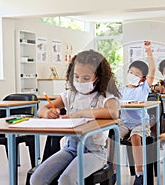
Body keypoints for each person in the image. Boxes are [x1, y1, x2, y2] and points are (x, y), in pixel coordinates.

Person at [30, 50, 120, 185]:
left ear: (98, 77)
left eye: (86, 78)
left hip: (94, 153)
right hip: (70, 149)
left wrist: (81, 113)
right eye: (76, 76)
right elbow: (42, 110)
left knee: (67, 180)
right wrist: (47, 113)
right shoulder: (69, 95)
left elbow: (113, 113)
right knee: (37, 179)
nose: (79, 81)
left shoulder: (105, 96)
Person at [117, 41, 155, 185]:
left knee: (135, 137)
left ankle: (139, 174)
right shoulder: (122, 90)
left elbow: (152, 70)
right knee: (112, 136)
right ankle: (112, 171)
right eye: (131, 72)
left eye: (136, 74)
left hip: (140, 123)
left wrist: (148, 51)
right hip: (124, 123)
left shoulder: (143, 88)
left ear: (142, 79)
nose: (132, 75)